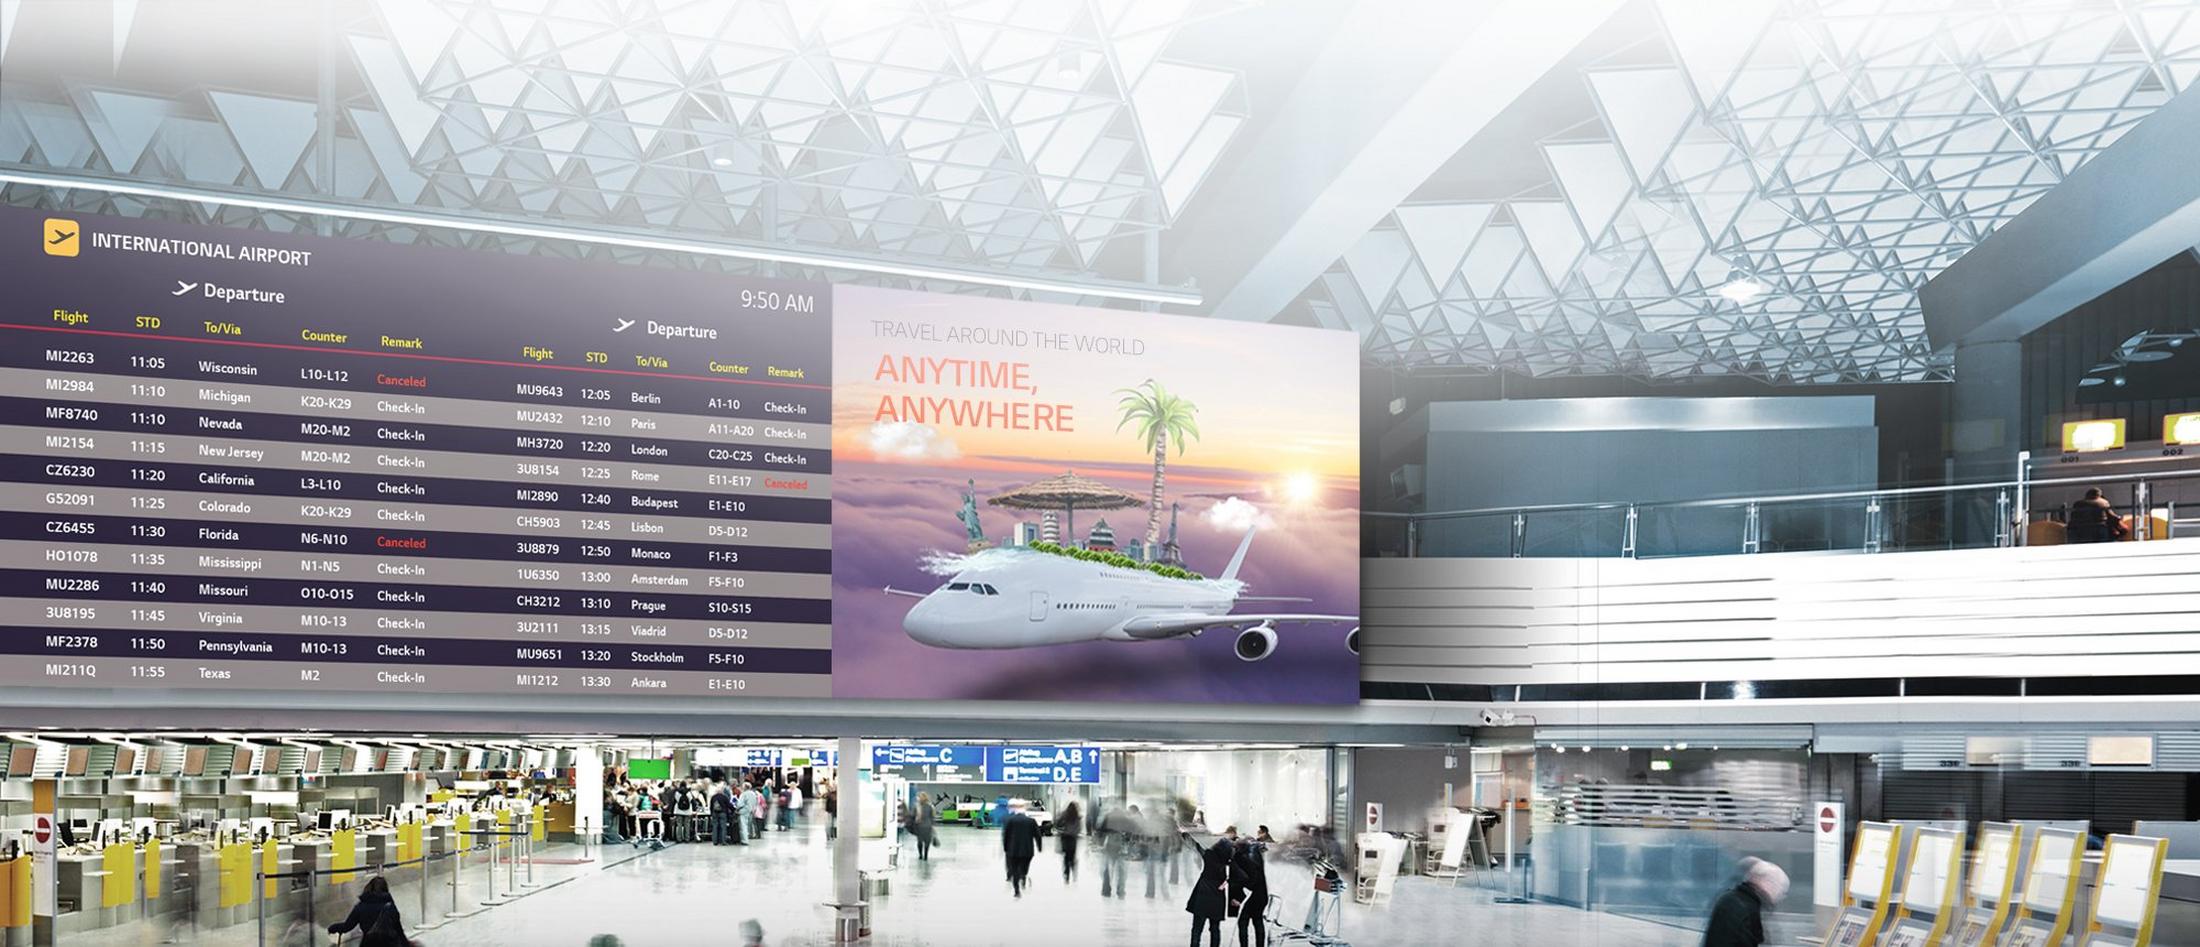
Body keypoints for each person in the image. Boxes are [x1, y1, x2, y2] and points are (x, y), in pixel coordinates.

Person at [1701, 859, 1789, 947]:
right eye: (1782, 891)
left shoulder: (1733, 899)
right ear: (1769, 883)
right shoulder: (1748, 909)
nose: (1781, 897)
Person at [1186, 837, 1233, 947]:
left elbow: (1197, 846)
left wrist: (1185, 834)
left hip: (1202, 895)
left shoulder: (1208, 854)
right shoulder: (1227, 861)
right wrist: (1226, 883)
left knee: (1197, 929)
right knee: (1215, 928)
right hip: (1217, 898)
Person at [329, 876, 401, 941]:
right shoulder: (390, 906)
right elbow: (397, 926)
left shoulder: (361, 907)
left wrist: (333, 928)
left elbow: (347, 926)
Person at [1232, 828, 1271, 947]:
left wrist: (1240, 893)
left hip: (1252, 896)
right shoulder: (1255, 853)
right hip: (1261, 894)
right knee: (1257, 920)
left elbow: (1249, 879)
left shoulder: (1243, 857)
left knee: (1243, 921)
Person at [1001, 800, 1044, 898]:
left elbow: (1006, 836)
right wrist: (1039, 847)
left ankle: (1017, 891)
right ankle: (1023, 878)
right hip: (1027, 850)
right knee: (1024, 867)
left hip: (1013, 850)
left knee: (1015, 870)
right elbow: (1038, 836)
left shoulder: (1011, 821)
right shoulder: (1031, 821)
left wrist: (1006, 848)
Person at [1057, 800, 1083, 882]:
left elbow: (1058, 823)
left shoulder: (1064, 814)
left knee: (1066, 857)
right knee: (1072, 856)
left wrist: (1063, 828)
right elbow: (1079, 828)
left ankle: (1066, 875)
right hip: (1073, 838)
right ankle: (1074, 874)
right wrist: (1076, 833)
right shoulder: (1077, 816)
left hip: (1065, 838)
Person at [914, 792, 938, 862]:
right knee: (927, 842)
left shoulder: (917, 806)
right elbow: (932, 817)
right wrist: (932, 826)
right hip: (928, 826)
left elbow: (913, 816)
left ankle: (920, 855)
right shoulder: (931, 806)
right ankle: (925, 856)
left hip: (920, 826)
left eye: (919, 797)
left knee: (920, 841)